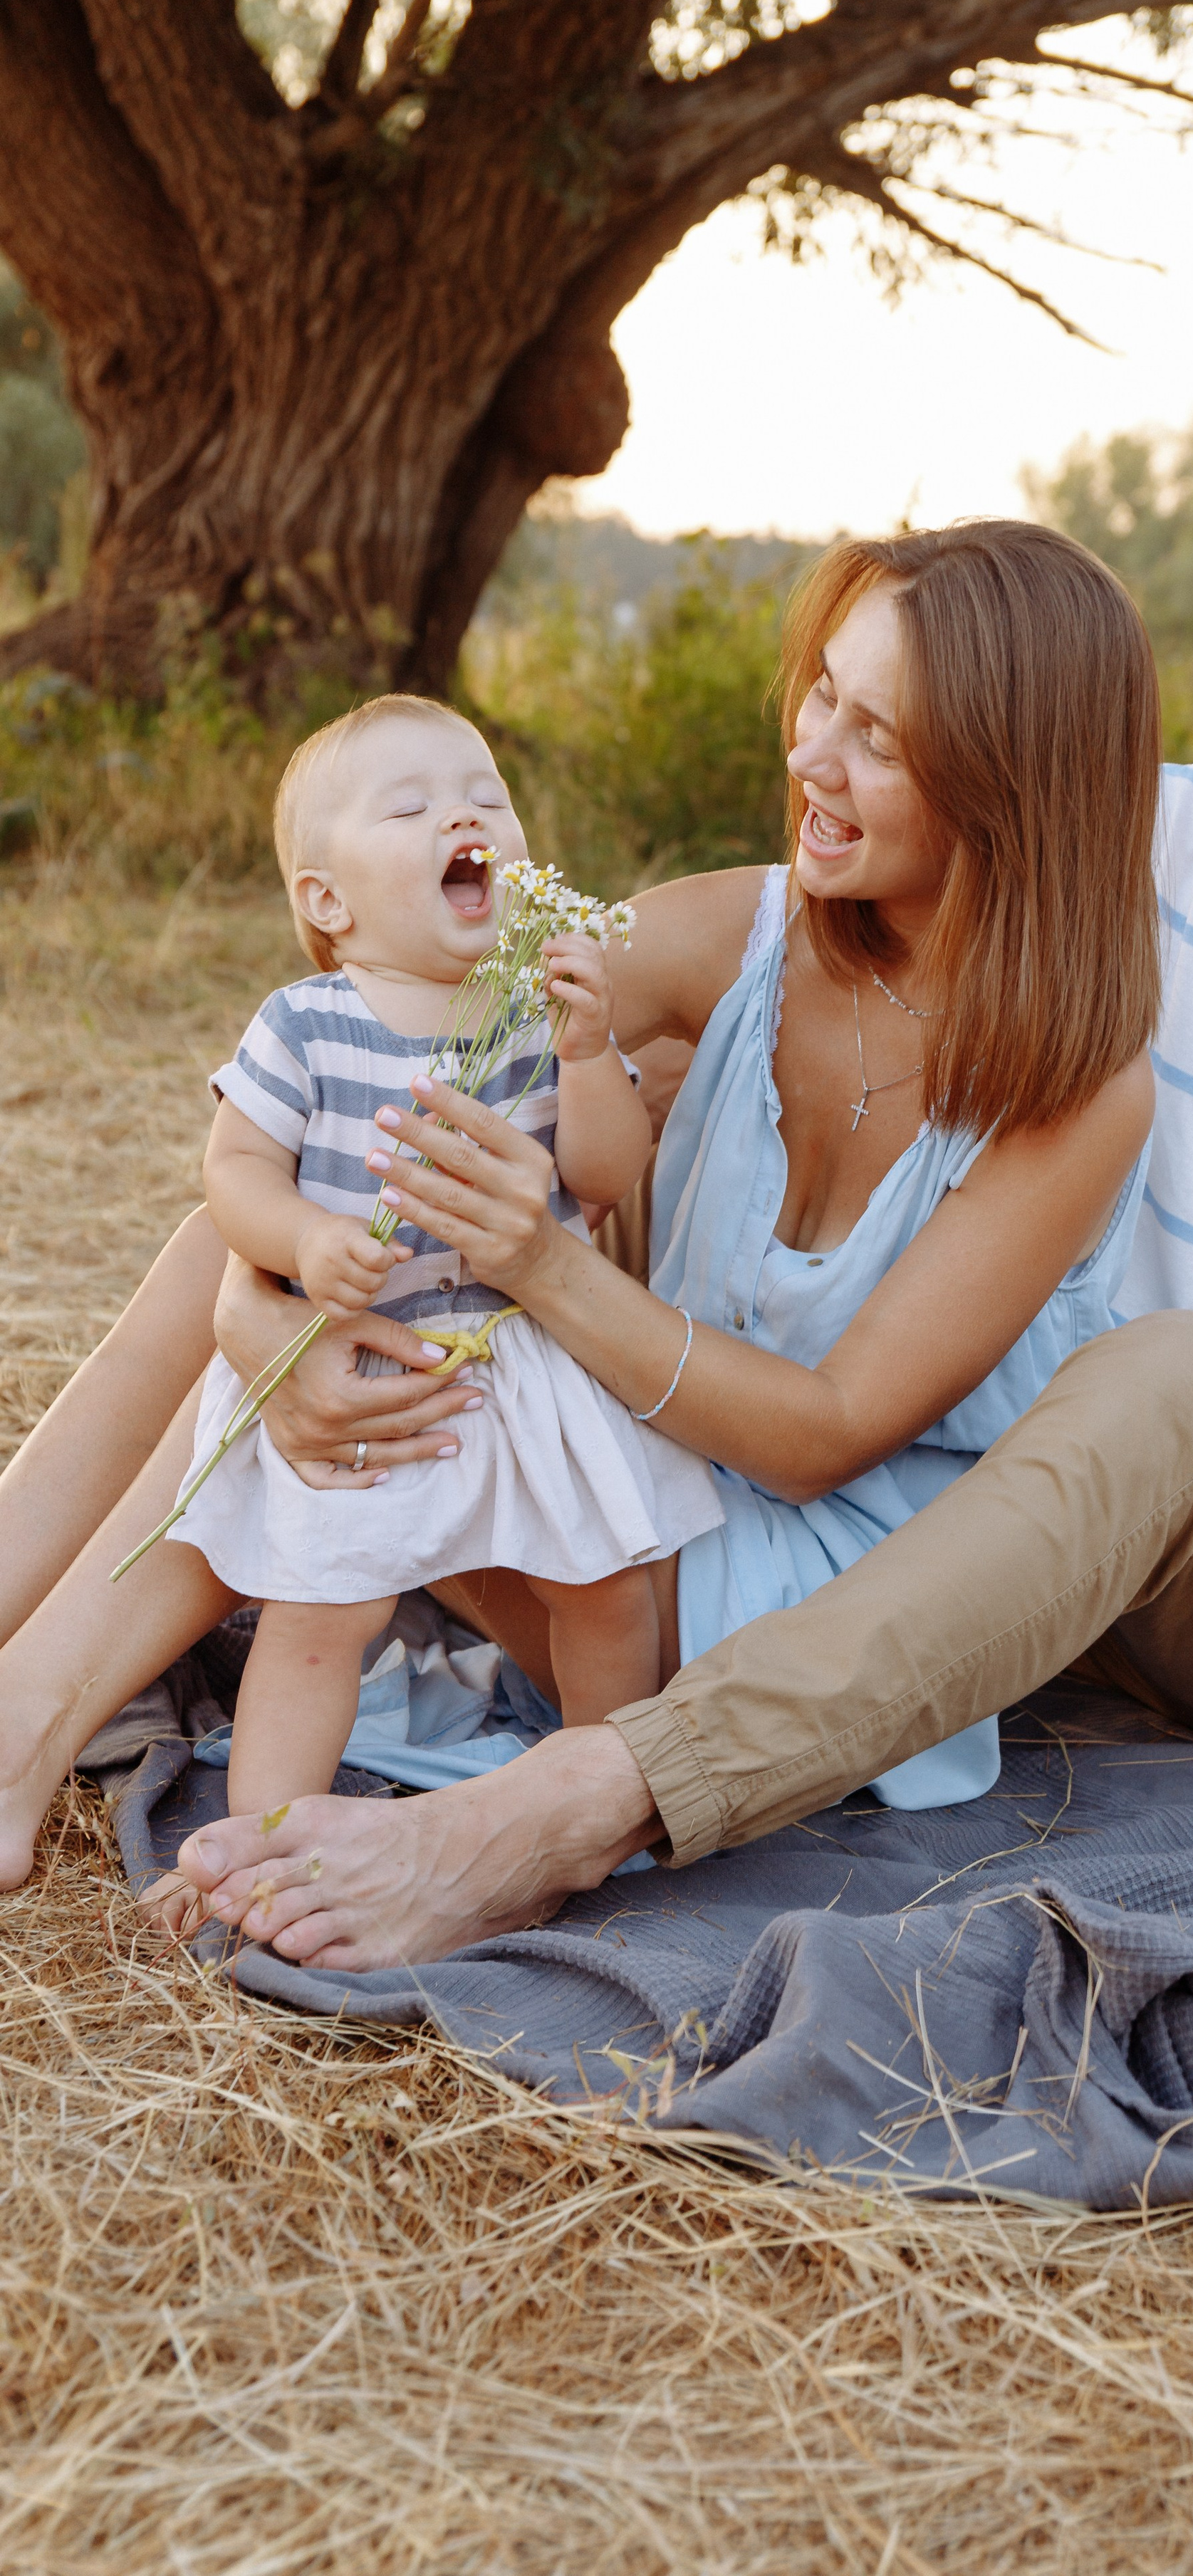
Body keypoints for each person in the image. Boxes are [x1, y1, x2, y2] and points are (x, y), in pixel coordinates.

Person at [1, 418, 1193, 1970]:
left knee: (1165, 1380)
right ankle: (18, 1679)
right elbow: (459, 1019)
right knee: (386, 1133)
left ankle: (575, 1808)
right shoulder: (1144, 829)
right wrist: (273, 1311)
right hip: (1043, 1509)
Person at [0, 520, 1160, 1915]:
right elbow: (399, 1069)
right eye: (822, 696)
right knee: (310, 1223)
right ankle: (17, 1695)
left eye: (880, 739)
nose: (812, 755)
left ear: (1009, 785)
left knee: (415, 1310)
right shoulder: (746, 928)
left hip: (797, 1610)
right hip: (629, 1473)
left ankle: (25, 1720)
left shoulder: (1079, 1088)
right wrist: (266, 1321)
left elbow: (823, 1438)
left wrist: (540, 1264)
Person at [164, 694, 724, 1821]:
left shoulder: (533, 1015)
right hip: (374, 1365)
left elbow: (605, 1177)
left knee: (609, 1594)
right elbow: (235, 1171)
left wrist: (588, 1051)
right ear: (328, 901)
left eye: (486, 799)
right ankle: (262, 1840)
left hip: (523, 1357)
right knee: (322, 1615)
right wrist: (306, 1238)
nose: (464, 819)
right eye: (410, 807)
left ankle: (587, 1809)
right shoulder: (307, 1023)